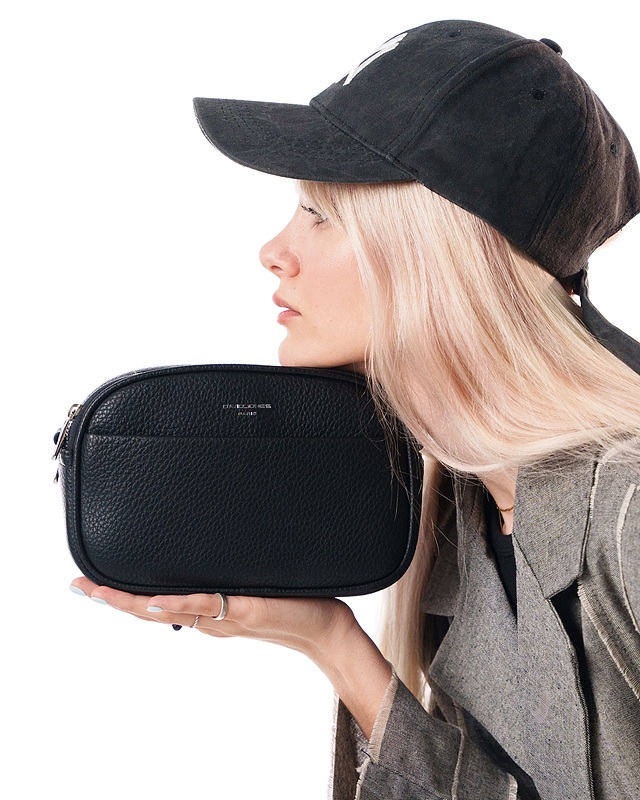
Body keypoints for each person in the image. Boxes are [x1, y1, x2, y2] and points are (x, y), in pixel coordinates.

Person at [70, 20, 640, 800]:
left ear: (439, 249)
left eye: (321, 214)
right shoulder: (462, 504)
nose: (273, 251)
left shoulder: (628, 506)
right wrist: (329, 640)